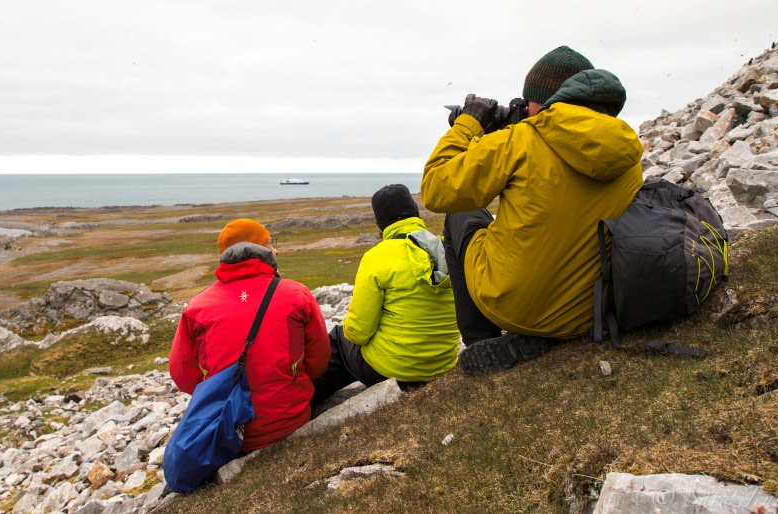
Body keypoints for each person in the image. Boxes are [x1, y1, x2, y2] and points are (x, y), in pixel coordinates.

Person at [421, 46, 644, 374]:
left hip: (517, 310)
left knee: (461, 215)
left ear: (543, 102)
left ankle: (482, 339)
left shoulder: (520, 140)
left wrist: (468, 125)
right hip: (590, 310)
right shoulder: (626, 149)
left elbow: (435, 189)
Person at [169, 218, 331, 451]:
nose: (277, 249)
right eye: (269, 243)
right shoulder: (297, 295)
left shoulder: (197, 308)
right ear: (260, 250)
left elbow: (182, 374)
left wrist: (218, 390)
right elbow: (319, 361)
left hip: (227, 432)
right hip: (290, 423)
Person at [311, 184, 460, 407]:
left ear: (381, 223)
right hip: (443, 362)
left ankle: (306, 404)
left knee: (339, 340)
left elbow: (358, 332)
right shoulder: (444, 247)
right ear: (415, 213)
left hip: (394, 371)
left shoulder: (377, 257)